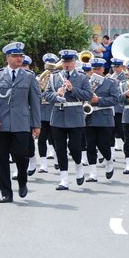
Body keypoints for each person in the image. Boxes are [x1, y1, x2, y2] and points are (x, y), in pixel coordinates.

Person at [0, 42, 41, 203]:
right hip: (1, 123)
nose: (19, 59)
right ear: (7, 58)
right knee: (2, 158)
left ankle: (22, 181)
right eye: (16, 56)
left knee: (21, 155)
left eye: (21, 56)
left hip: (22, 123)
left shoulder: (29, 76)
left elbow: (35, 102)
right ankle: (6, 192)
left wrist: (36, 125)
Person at [45, 49, 92, 191]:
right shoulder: (54, 77)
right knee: (59, 148)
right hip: (58, 116)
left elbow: (88, 95)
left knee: (75, 147)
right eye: (64, 61)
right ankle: (64, 179)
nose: (66, 64)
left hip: (75, 115)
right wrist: (56, 94)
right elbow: (46, 95)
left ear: (74, 62)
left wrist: (72, 89)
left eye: (69, 61)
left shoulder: (82, 77)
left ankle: (79, 167)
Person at [85, 58, 120, 182]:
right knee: (90, 146)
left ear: (103, 69)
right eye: (94, 68)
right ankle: (93, 173)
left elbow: (115, 99)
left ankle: (109, 161)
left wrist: (98, 100)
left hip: (104, 118)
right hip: (89, 118)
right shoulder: (87, 82)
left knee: (103, 145)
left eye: (98, 68)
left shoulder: (110, 83)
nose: (96, 71)